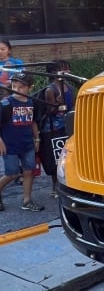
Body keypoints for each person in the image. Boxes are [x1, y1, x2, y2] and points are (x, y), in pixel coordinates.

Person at [0, 72, 44, 212]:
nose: (17, 90)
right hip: (10, 145)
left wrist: (36, 138)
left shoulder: (31, 102)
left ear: (30, 87)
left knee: (28, 171)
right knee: (12, 173)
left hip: (27, 144)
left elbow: (33, 122)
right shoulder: (6, 104)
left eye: (21, 87)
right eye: (14, 86)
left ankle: (27, 200)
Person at [38, 60, 75, 197]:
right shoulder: (50, 90)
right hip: (53, 128)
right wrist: (57, 104)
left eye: (68, 69)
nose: (68, 72)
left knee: (67, 155)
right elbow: (49, 111)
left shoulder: (69, 87)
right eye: (64, 69)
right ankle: (55, 186)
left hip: (66, 125)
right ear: (54, 73)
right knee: (55, 156)